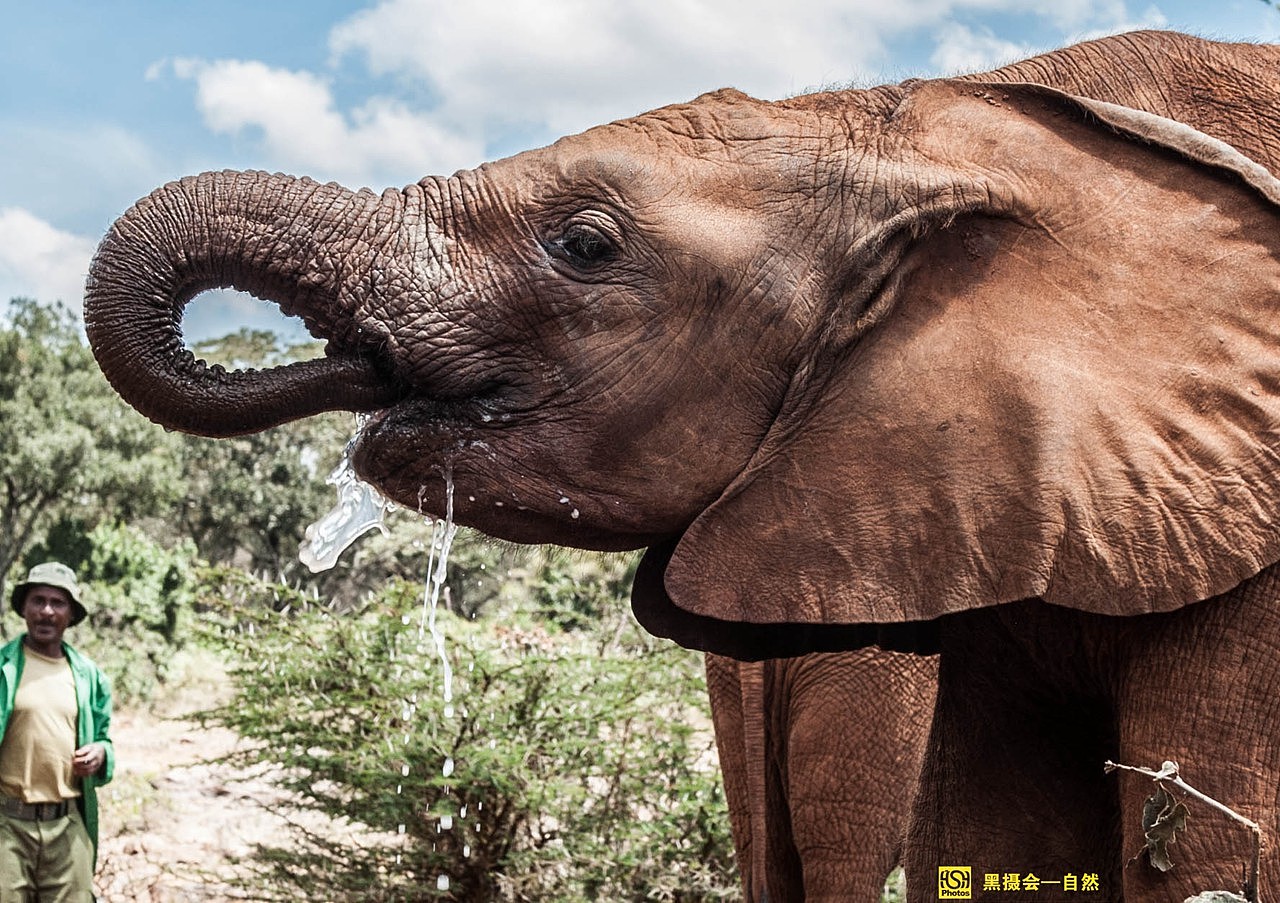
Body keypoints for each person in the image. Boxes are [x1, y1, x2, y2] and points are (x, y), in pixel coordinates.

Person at [0, 562, 114, 901]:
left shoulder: (89, 676)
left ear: (71, 614)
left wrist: (101, 752)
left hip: (67, 825)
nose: (46, 611)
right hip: (7, 824)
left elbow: (105, 738)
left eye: (57, 603)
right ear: (24, 608)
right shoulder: (3, 667)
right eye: (38, 600)